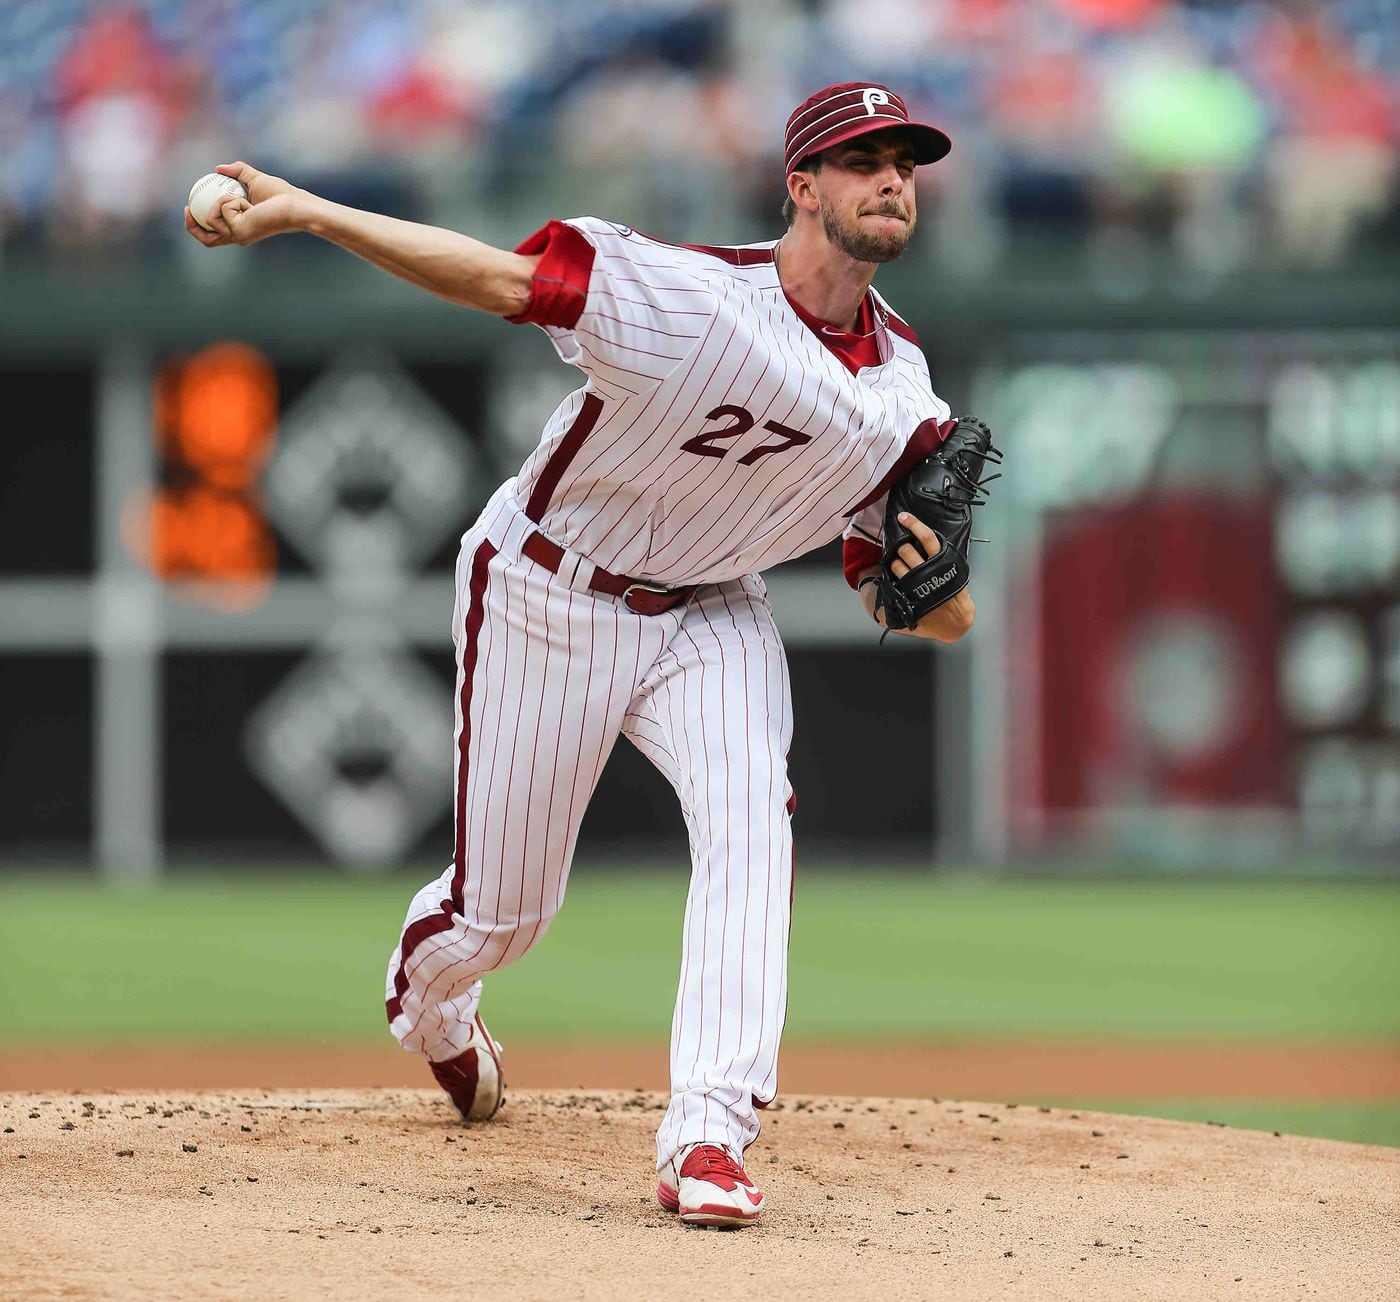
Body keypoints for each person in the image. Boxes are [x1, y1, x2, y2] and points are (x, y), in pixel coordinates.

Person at [186, 81, 974, 1229]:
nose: (891, 178)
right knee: (501, 916)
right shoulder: (689, 295)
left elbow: (922, 609)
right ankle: (432, 1009)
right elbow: (502, 281)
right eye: (861, 160)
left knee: (752, 811)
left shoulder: (903, 400)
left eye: (904, 160)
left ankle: (709, 1130)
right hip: (550, 589)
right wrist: (313, 211)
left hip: (712, 615)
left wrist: (930, 587)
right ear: (801, 187)